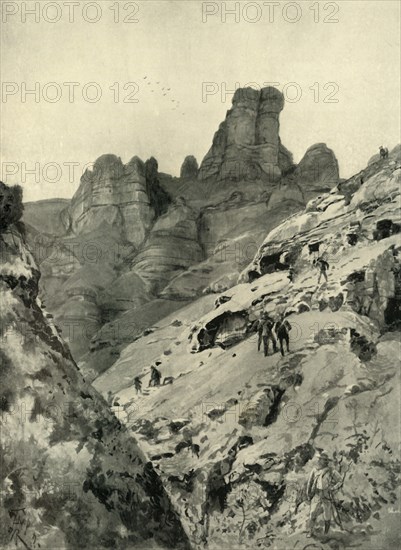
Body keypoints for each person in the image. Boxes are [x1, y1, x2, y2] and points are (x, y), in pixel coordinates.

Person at [306, 450, 343, 538]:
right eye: (322, 459)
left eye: (325, 460)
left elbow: (340, 480)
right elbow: (310, 482)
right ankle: (310, 531)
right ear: (319, 460)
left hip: (327, 494)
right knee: (312, 512)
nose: (324, 461)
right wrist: (308, 493)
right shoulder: (314, 470)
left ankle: (326, 532)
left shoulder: (331, 471)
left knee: (327, 514)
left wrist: (333, 488)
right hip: (317, 493)